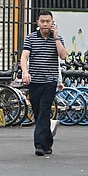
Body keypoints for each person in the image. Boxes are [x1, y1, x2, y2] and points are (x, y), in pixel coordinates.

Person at [20, 10, 67, 156]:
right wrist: (26, 73)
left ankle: (39, 145)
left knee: (45, 111)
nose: (45, 24)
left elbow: (63, 56)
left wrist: (57, 38)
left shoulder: (58, 38)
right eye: (42, 21)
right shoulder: (31, 38)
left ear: (53, 22)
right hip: (35, 81)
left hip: (50, 82)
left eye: (48, 21)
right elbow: (24, 56)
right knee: (39, 113)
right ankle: (47, 143)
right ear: (38, 22)